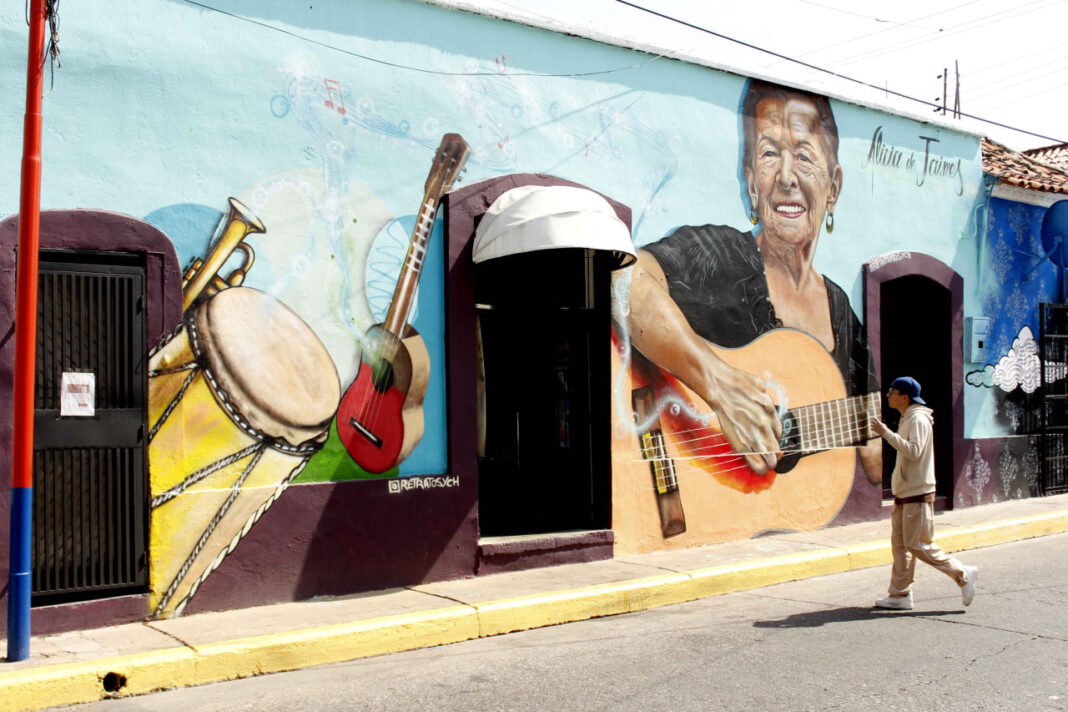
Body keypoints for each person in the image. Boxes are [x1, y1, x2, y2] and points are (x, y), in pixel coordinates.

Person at [627, 78, 881, 481]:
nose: (786, 177)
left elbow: (873, 457)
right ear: (750, 182)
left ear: (833, 187)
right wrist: (719, 385)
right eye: (769, 153)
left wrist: (899, 440)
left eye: (804, 156)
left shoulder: (843, 316)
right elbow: (624, 279)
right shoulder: (715, 253)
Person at [870, 376, 977, 610]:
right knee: (900, 546)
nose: (888, 395)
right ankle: (899, 595)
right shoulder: (908, 417)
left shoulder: (917, 419)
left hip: (917, 493)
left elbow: (914, 452)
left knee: (918, 544)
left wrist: (886, 433)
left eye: (892, 391)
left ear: (905, 397)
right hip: (905, 493)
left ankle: (962, 574)